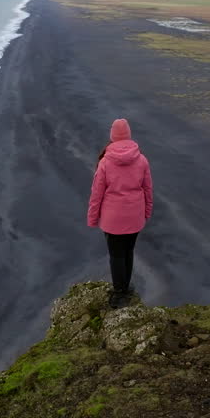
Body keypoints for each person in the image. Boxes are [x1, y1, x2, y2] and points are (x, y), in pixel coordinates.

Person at [87, 118, 153, 308]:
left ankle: (119, 293)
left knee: (116, 255)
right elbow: (148, 189)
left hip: (112, 218)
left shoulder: (105, 163)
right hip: (135, 216)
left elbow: (96, 194)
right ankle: (125, 287)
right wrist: (146, 212)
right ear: (129, 134)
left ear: (112, 136)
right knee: (128, 251)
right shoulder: (141, 160)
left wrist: (92, 218)